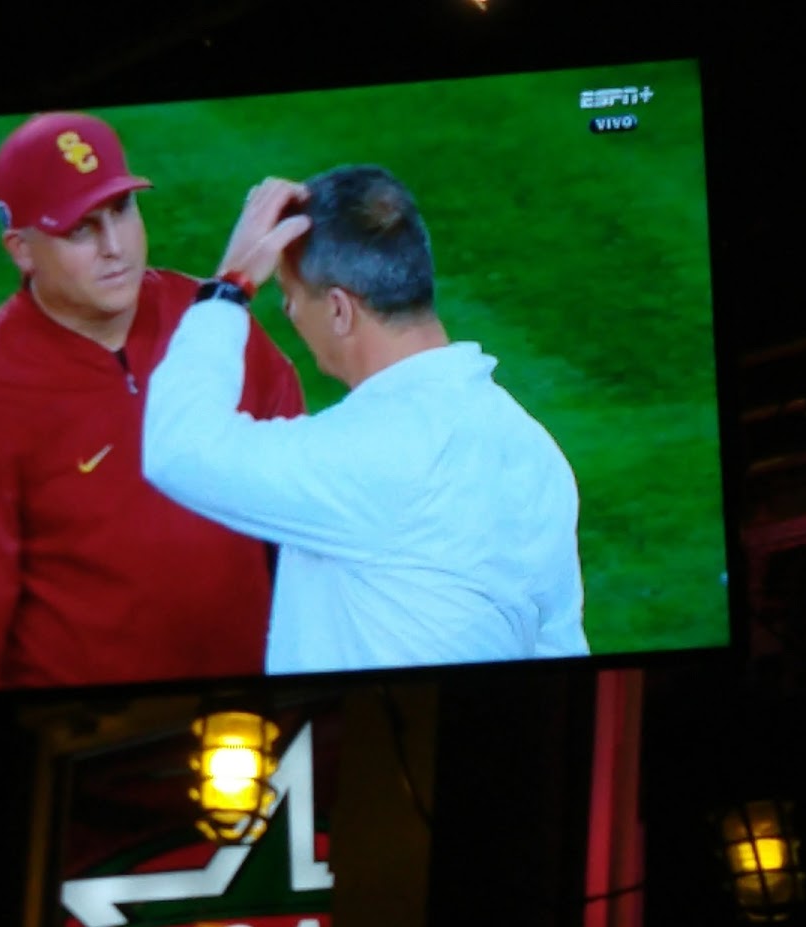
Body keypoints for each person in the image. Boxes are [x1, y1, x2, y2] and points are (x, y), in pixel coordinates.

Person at [0, 114, 303, 694]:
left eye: (122, 210)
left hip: (257, 710)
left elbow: (300, 509)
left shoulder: (212, 321)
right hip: (103, 737)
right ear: (22, 250)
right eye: (80, 229)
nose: (116, 248)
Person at [142, 168, 590, 674]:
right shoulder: (534, 448)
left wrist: (230, 286)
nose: (289, 312)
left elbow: (179, 448)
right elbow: (558, 644)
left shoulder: (370, 455)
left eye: (290, 296)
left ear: (339, 311)